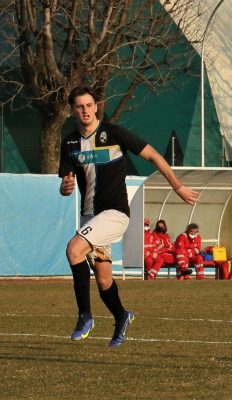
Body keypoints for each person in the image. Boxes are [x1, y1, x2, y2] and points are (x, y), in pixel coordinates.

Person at [59, 86, 199, 348]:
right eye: (79, 106)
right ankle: (122, 316)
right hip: (90, 218)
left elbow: (154, 155)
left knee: (73, 250)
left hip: (114, 214)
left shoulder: (113, 134)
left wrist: (177, 185)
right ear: (72, 110)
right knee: (103, 278)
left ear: (96, 106)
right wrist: (65, 187)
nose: (85, 110)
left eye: (89, 105)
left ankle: (84, 317)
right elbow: (66, 184)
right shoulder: (68, 143)